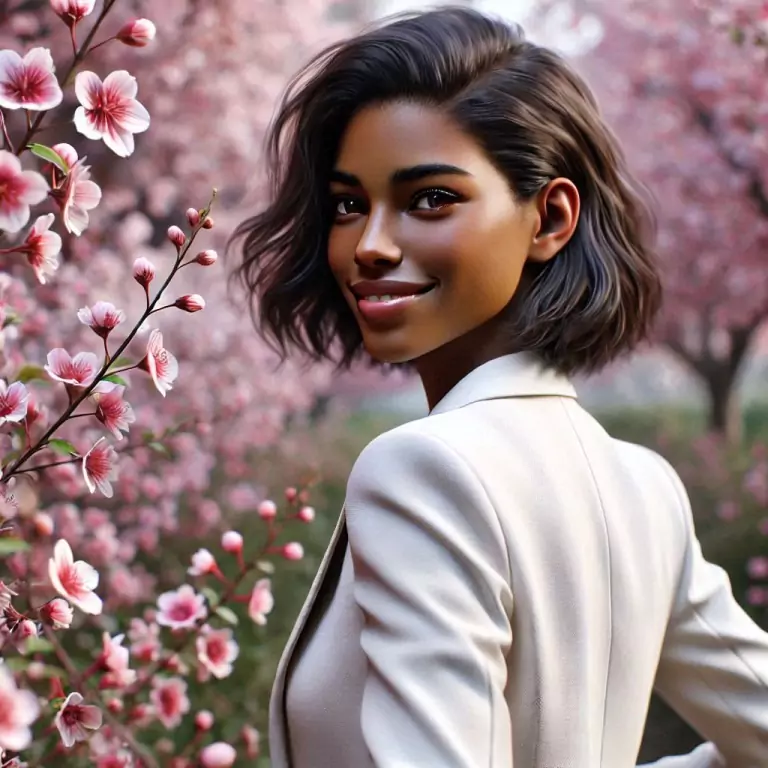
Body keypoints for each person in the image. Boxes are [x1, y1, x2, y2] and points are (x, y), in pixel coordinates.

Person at [229, 7, 768, 767]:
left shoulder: (422, 469)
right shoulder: (644, 487)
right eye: (350, 204)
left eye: (430, 200)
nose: (370, 246)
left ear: (550, 217)